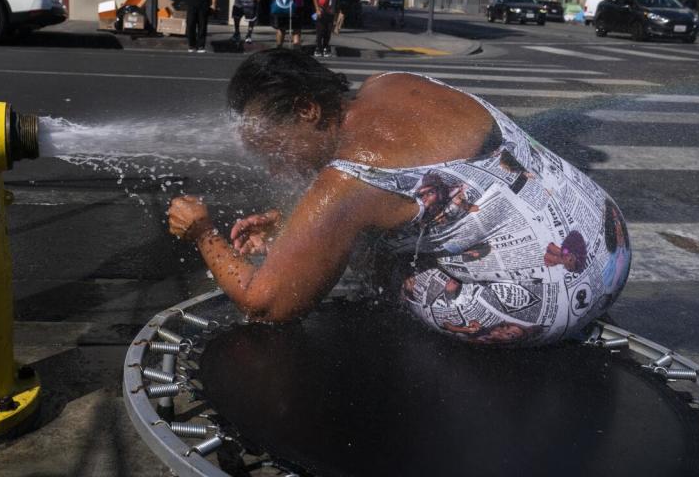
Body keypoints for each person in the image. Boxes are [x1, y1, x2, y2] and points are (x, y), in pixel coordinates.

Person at [168, 50, 630, 346]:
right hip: (608, 236)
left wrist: (204, 233)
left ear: (307, 110)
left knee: (369, 252)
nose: (275, 168)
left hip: (552, 302)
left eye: (276, 149)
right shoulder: (389, 82)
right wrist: (297, 225)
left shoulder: (348, 183)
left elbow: (266, 305)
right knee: (356, 228)